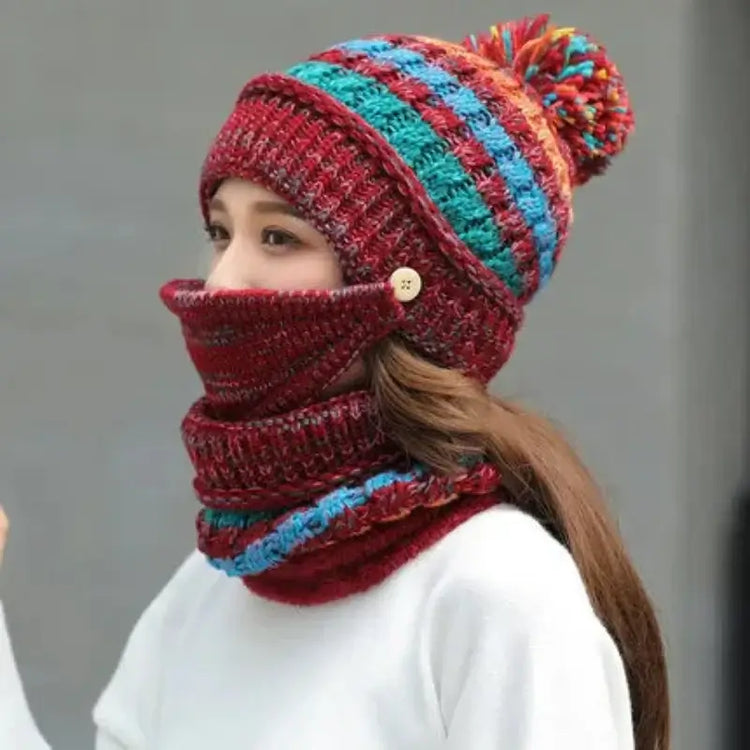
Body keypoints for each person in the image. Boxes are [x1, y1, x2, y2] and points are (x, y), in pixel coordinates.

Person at [0, 14, 670, 750]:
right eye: (221, 231)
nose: (223, 281)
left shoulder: (496, 593)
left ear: (420, 295)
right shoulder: (214, 585)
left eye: (279, 237)